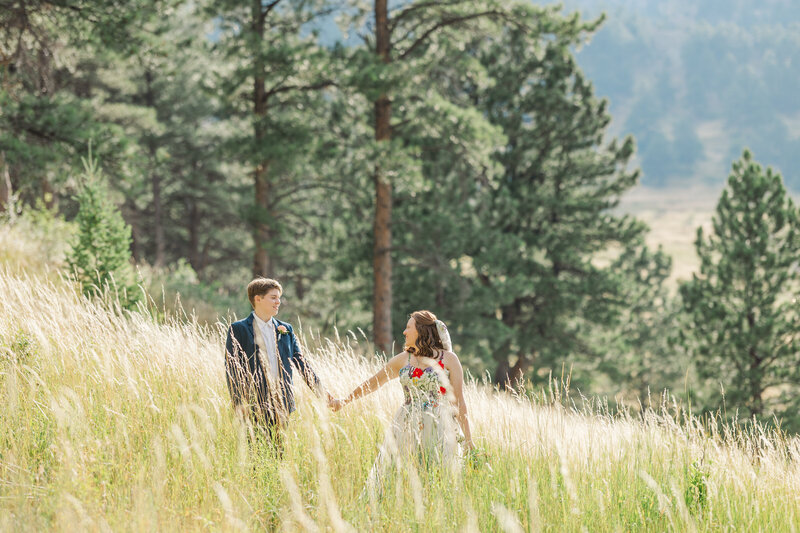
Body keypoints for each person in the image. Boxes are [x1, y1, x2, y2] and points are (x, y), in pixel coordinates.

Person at [334, 310, 474, 488]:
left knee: (438, 477)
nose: (404, 332)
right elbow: (373, 383)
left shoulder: (449, 359)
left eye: (409, 327)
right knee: (400, 475)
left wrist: (468, 440)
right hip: (406, 425)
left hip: (440, 426)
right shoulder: (402, 360)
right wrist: (344, 401)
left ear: (421, 330)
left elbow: (459, 401)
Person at [224, 277, 340, 444]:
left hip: (282, 403)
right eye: (273, 297)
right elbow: (232, 369)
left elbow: (302, 364)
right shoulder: (239, 329)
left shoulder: (286, 329)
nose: (278, 302)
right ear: (258, 299)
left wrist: (323, 395)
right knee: (255, 451)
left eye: (279, 298)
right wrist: (239, 403)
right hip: (253, 403)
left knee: (279, 452)